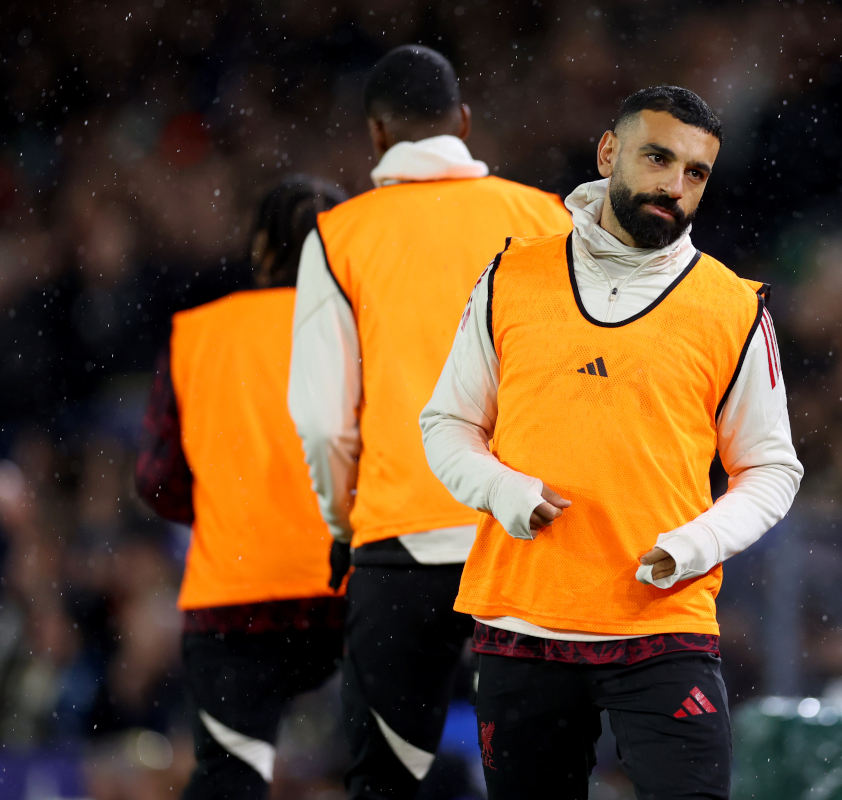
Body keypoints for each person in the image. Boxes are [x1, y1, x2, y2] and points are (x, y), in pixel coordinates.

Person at [421, 86, 804, 799]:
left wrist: (694, 544)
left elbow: (772, 469)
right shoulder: (509, 277)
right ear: (608, 152)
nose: (675, 186)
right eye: (658, 158)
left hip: (664, 624)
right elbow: (446, 424)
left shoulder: (732, 307)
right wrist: (502, 490)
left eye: (696, 172)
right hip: (522, 618)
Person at [287, 45, 572, 799]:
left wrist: (344, 526)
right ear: (465, 122)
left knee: (385, 783)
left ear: (376, 134)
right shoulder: (544, 219)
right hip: (528, 538)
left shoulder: (339, 237)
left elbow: (321, 423)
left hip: (401, 544)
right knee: (543, 778)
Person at [135, 175, 348, 800]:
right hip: (353, 594)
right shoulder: (368, 332)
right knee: (377, 772)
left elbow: (155, 480)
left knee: (230, 778)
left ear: (259, 247)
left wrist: (229, 503)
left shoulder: (196, 334)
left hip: (233, 601)